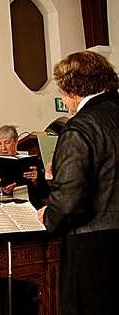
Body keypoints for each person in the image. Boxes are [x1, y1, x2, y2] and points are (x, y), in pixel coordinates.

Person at [37, 51, 119, 315]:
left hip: (93, 250)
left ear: (71, 89)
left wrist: (48, 214)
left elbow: (70, 203)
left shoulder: (79, 127)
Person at [0, 125, 49, 208]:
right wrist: (3, 191)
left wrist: (37, 179)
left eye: (7, 143)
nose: (3, 148)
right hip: (8, 208)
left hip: (32, 206)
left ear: (16, 142)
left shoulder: (30, 162)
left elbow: (46, 192)